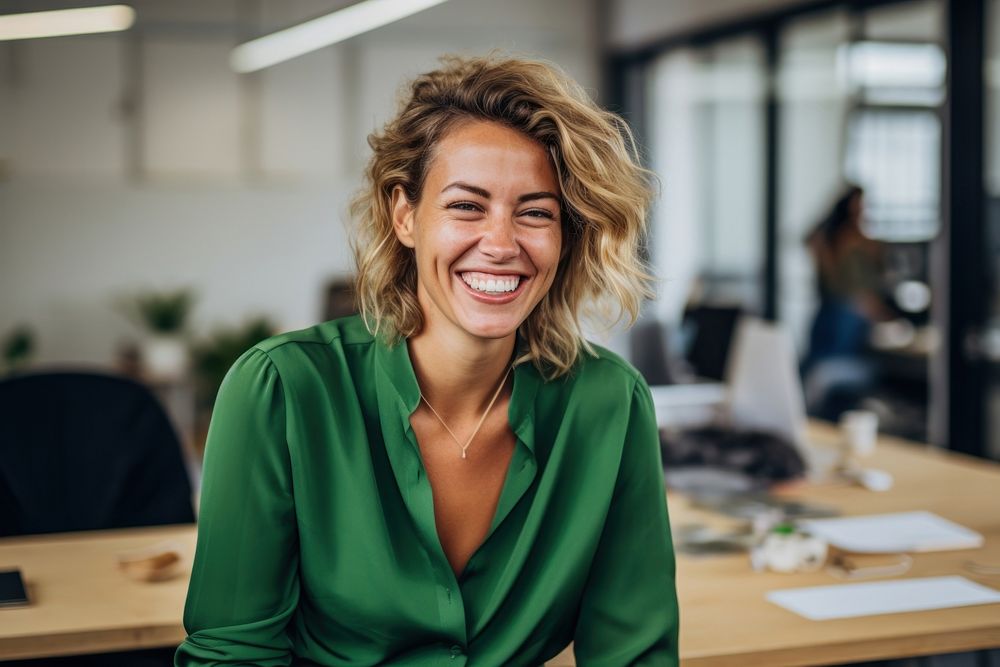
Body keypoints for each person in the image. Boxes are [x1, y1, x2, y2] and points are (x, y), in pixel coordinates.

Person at [175, 54, 679, 666]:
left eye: (536, 212)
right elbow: (233, 654)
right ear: (406, 215)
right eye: (467, 206)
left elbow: (633, 654)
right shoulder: (281, 390)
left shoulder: (608, 403)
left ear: (565, 235)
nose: (500, 244)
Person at [801, 185, 892, 419]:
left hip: (838, 315)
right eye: (859, 203)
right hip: (841, 315)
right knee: (825, 379)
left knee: (819, 380)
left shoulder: (857, 239)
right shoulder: (844, 241)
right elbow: (857, 292)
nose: (862, 209)